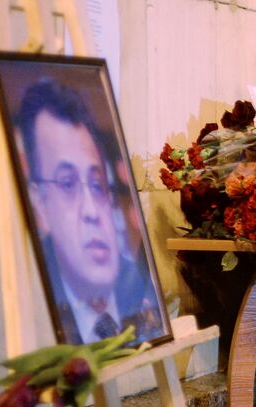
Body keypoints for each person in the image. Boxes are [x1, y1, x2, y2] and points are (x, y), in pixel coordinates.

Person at [14, 79, 164, 344]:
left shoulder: (140, 288)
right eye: (67, 184)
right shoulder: (35, 302)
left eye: (97, 185)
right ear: (39, 201)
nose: (92, 211)